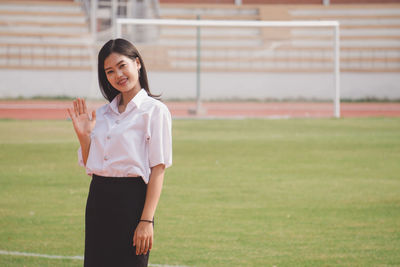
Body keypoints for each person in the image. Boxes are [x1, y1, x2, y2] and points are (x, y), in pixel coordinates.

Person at [67, 38, 172, 267]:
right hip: (98, 199)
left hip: (131, 202)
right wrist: (84, 137)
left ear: (137, 64)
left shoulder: (155, 111)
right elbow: (90, 165)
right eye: (110, 71)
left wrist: (147, 220)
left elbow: (158, 168)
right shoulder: (102, 114)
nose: (118, 75)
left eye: (122, 65)